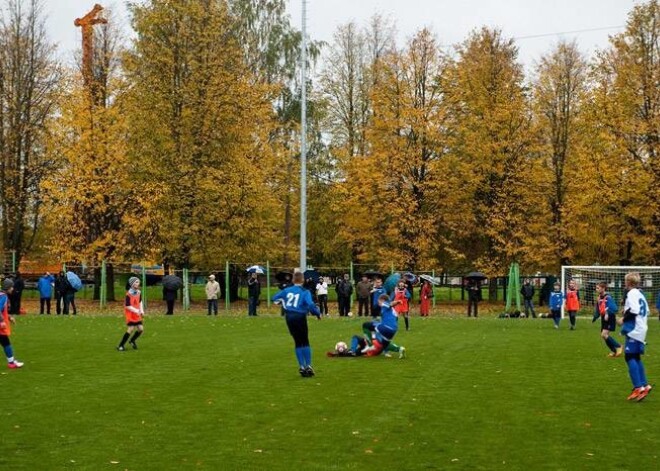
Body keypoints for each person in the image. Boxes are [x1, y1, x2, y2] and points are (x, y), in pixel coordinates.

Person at [272, 272, 321, 377]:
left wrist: (283, 303)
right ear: (302, 280)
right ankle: (308, 365)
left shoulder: (286, 290)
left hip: (289, 317)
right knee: (305, 341)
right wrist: (317, 314)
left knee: (297, 342)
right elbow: (311, 305)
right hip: (299, 317)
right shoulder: (305, 291)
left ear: (293, 280)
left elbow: (274, 298)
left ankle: (301, 366)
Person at [617, 272, 652, 401]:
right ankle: (645, 385)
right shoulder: (640, 293)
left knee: (629, 357)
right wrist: (626, 311)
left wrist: (623, 319)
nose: (625, 284)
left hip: (634, 329)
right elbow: (645, 310)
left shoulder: (631, 293)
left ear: (629, 283)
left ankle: (638, 388)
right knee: (636, 357)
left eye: (625, 281)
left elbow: (634, 310)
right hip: (642, 327)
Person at [592, 281, 622, 357]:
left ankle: (619, 346)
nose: (596, 289)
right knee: (604, 336)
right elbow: (598, 309)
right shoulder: (599, 298)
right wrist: (595, 317)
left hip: (610, 317)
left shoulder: (608, 297)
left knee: (604, 334)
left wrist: (607, 313)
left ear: (603, 288)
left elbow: (614, 308)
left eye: (598, 288)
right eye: (596, 288)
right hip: (604, 318)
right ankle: (614, 351)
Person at [0, 279, 23, 369]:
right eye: (11, 287)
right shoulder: (3, 297)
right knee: (6, 343)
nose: (13, 288)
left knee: (6, 343)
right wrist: (2, 321)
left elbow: (3, 310)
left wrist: (9, 317)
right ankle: (11, 363)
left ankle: (11, 362)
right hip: (0, 327)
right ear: (8, 287)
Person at [117, 277, 145, 351]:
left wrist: (141, 310)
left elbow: (140, 302)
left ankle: (132, 340)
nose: (138, 284)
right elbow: (127, 306)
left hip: (137, 313)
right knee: (131, 329)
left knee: (141, 329)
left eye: (138, 282)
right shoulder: (128, 294)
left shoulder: (139, 292)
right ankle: (121, 345)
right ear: (131, 284)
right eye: (136, 282)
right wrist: (136, 310)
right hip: (131, 314)